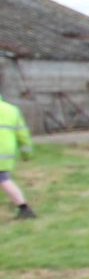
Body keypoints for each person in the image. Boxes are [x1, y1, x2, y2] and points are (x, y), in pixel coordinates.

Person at [0, 91, 35, 220]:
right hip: (6, 152)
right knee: (3, 179)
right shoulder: (12, 110)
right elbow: (23, 135)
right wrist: (26, 153)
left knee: (3, 180)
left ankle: (24, 209)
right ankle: (24, 209)